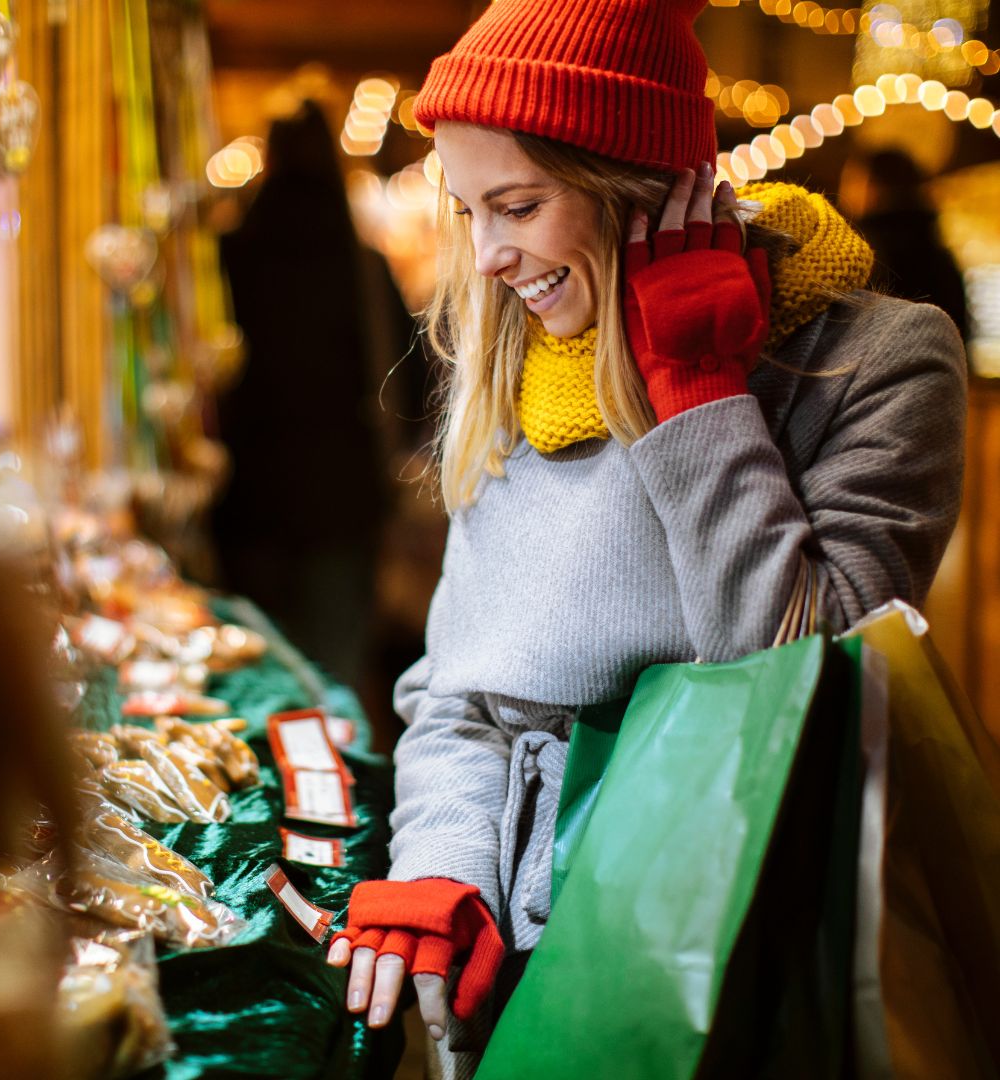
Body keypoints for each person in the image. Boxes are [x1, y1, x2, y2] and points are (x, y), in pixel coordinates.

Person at [325, 0, 967, 1074]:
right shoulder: (514, 362)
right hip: (529, 958)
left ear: (640, 187)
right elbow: (462, 695)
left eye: (518, 205)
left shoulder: (882, 359)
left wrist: (698, 394)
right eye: (470, 210)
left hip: (756, 952)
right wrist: (443, 865)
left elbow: (809, 687)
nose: (487, 257)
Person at [215, 100, 418, 690]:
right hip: (342, 500)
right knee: (332, 672)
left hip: (248, 497)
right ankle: (330, 775)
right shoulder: (363, 264)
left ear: (270, 158)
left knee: (254, 667)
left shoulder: (231, 254)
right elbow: (410, 377)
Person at [840, 146, 968, 339]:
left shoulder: (860, 250)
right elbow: (960, 325)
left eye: (852, 179)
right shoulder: (934, 247)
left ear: (874, 186)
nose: (845, 189)